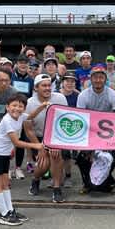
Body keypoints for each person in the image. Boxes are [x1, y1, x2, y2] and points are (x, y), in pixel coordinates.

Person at [0, 94, 46, 226]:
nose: (17, 108)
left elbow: (31, 116)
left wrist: (41, 107)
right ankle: (3, 214)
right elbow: (17, 142)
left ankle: (10, 210)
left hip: (4, 155)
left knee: (6, 183)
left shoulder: (21, 116)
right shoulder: (7, 120)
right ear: (7, 107)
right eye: (14, 105)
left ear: (23, 108)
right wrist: (36, 145)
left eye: (20, 106)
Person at [76, 65, 115, 194]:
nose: (98, 80)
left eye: (101, 77)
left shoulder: (112, 94)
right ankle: (88, 183)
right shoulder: (83, 95)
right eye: (95, 77)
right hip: (89, 131)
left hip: (108, 132)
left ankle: (104, 182)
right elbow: (80, 118)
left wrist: (108, 142)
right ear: (91, 79)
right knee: (82, 159)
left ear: (105, 79)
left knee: (109, 159)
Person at [25, 74, 68, 203]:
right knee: (44, 164)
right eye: (44, 85)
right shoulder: (29, 103)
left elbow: (65, 120)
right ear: (36, 88)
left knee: (56, 156)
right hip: (38, 137)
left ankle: (56, 188)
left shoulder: (60, 98)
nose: (47, 88)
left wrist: (57, 143)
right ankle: (35, 180)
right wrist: (40, 147)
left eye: (49, 85)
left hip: (57, 135)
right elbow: (28, 129)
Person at [10, 54, 35, 179]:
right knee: (9, 141)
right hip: (11, 113)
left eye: (25, 62)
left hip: (23, 113)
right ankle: (8, 168)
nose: (23, 65)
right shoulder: (11, 77)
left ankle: (18, 167)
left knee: (21, 141)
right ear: (17, 64)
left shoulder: (31, 80)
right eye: (20, 62)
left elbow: (32, 96)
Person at [59, 74, 79, 187]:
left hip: (70, 128)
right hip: (57, 128)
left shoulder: (78, 96)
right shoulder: (56, 95)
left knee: (66, 154)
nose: (70, 84)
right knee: (55, 155)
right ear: (62, 82)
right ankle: (57, 176)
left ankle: (68, 176)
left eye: (72, 82)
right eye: (67, 81)